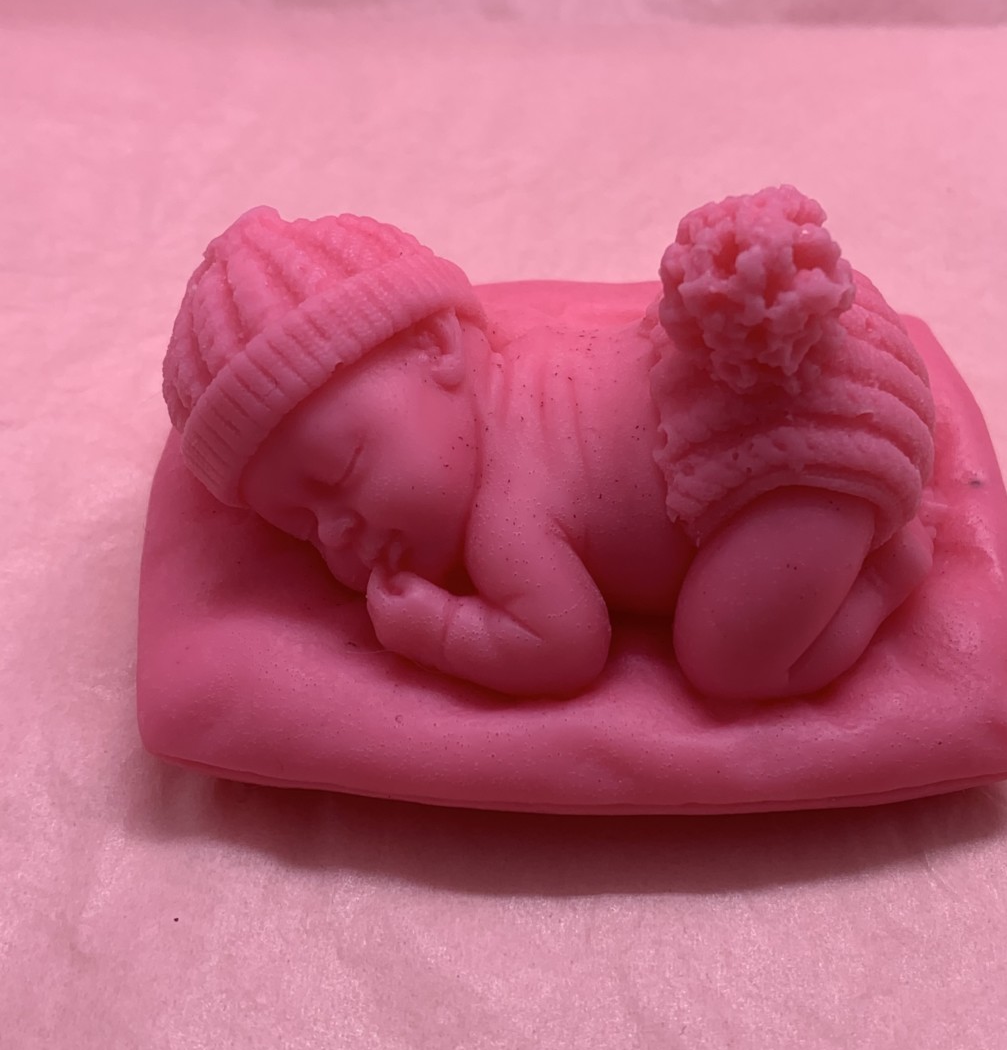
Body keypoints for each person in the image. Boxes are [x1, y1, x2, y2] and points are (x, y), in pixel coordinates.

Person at [163, 187, 935, 700]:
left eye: (340, 473)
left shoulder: (505, 519)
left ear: (438, 346)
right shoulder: (527, 357)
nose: (338, 532)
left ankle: (883, 572)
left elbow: (563, 651)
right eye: (302, 527)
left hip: (797, 459)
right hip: (785, 363)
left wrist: (435, 629)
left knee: (730, 664)